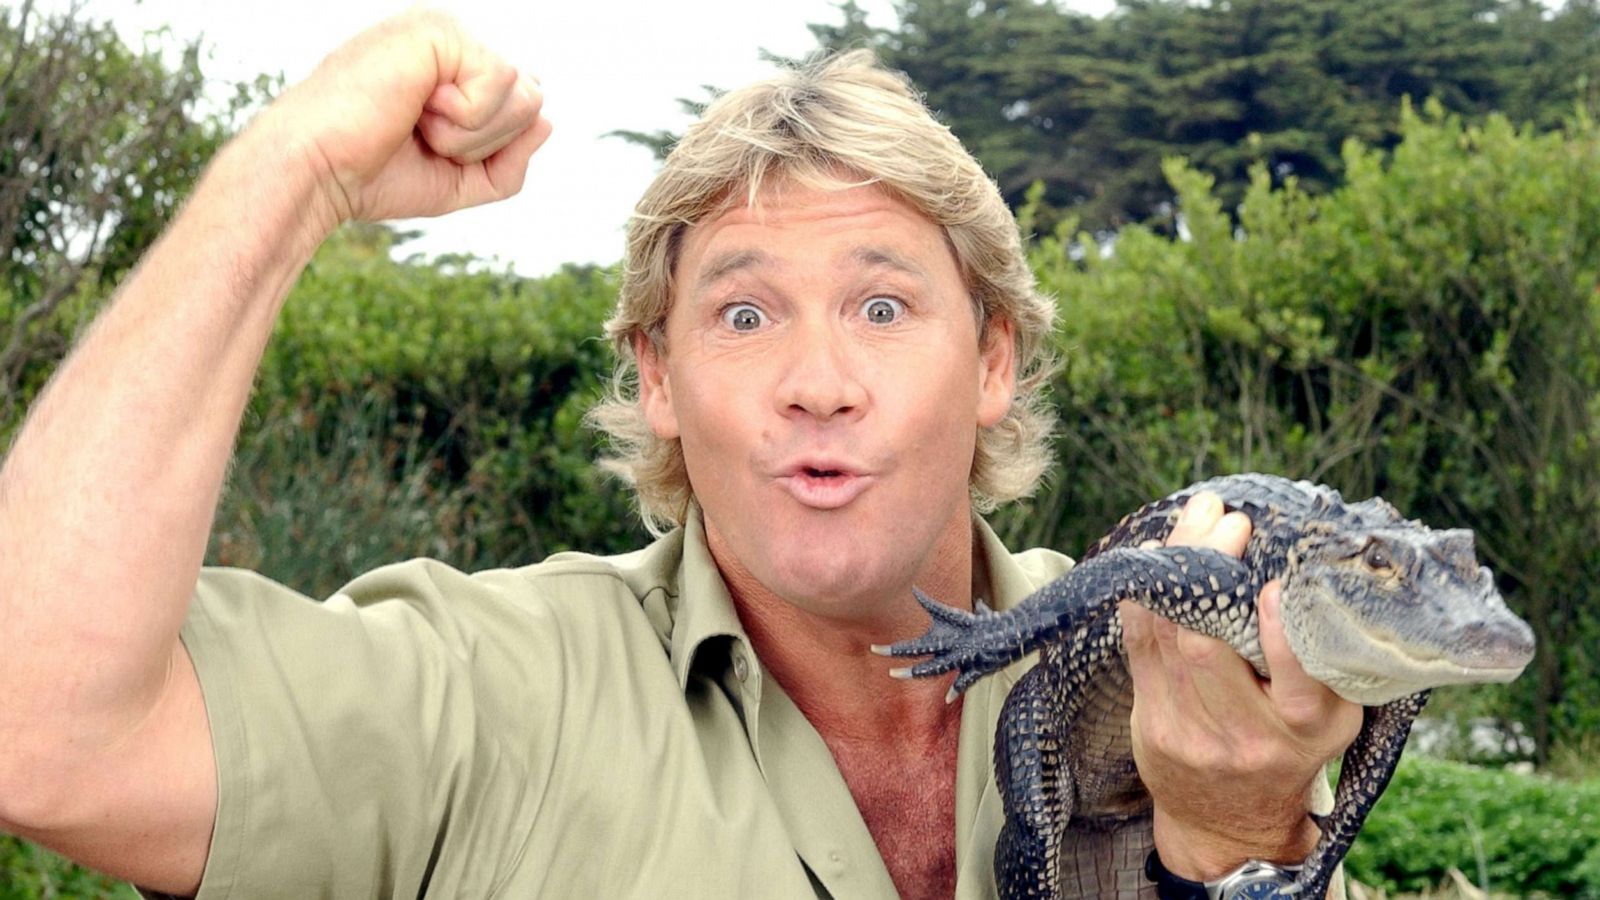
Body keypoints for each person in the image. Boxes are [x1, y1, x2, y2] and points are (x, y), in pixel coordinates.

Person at [0, 10, 1361, 899]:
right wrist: (290, 170)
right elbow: (39, 732)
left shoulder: (1173, 664)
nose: (817, 385)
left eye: (884, 306)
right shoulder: (484, 699)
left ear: (992, 356)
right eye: (744, 312)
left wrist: (1230, 842)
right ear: (658, 376)